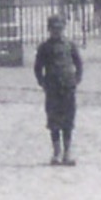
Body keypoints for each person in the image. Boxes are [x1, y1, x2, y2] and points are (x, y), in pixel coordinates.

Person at [33, 15, 83, 166]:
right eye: (54, 28)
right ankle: (56, 153)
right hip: (52, 88)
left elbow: (78, 63)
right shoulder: (44, 47)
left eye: (59, 28)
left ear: (63, 29)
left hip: (67, 87)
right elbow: (37, 67)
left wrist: (76, 79)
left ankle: (67, 153)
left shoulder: (70, 45)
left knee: (68, 120)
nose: (57, 31)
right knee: (54, 121)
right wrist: (42, 82)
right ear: (49, 29)